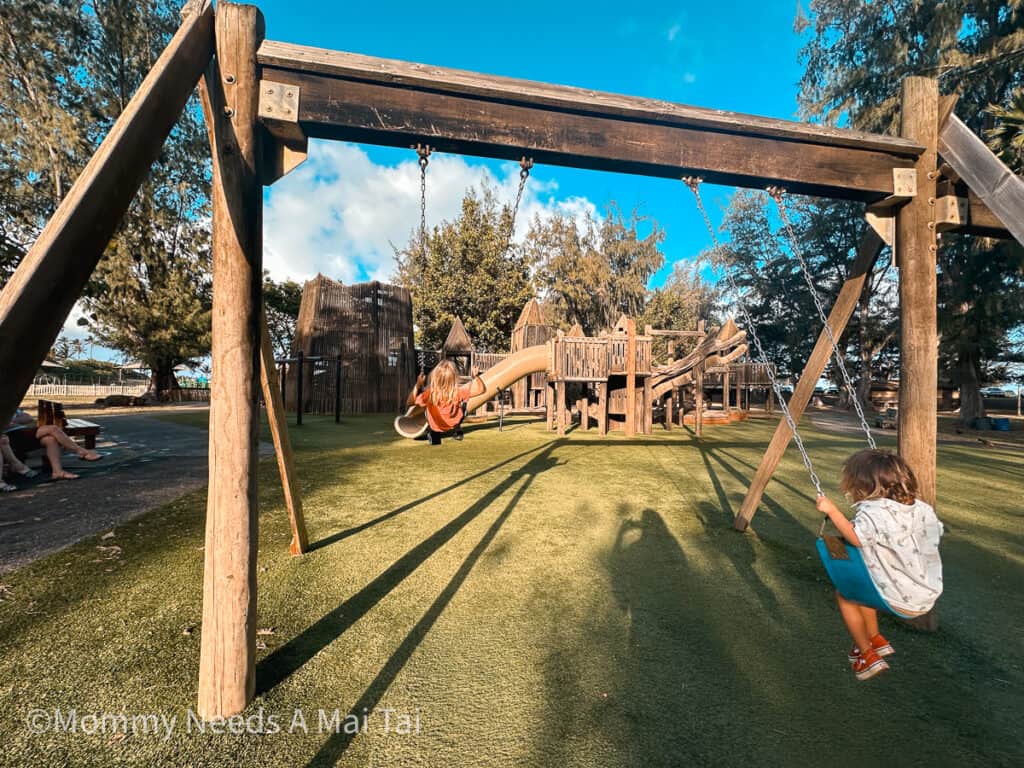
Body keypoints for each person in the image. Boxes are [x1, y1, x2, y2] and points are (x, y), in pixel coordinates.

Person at [816, 449, 944, 681]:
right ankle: (876, 639)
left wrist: (832, 511)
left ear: (861, 487)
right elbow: (935, 531)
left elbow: (856, 538)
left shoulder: (873, 513)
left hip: (900, 600)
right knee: (865, 587)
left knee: (845, 595)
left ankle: (866, 654)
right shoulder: (921, 508)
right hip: (926, 594)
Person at [5, 407, 102, 481]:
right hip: (8, 437)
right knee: (53, 429)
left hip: (20, 432)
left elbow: (27, 417)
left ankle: (57, 472)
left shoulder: (9, 402)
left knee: (50, 439)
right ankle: (82, 452)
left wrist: (12, 420)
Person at [407, 360, 486, 445]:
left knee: (426, 409)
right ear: (454, 378)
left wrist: (418, 385)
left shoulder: (430, 394)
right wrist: (476, 376)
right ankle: (457, 430)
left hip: (436, 425)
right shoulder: (458, 392)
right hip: (452, 423)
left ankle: (434, 435)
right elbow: (481, 390)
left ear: (435, 377)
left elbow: (410, 402)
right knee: (462, 408)